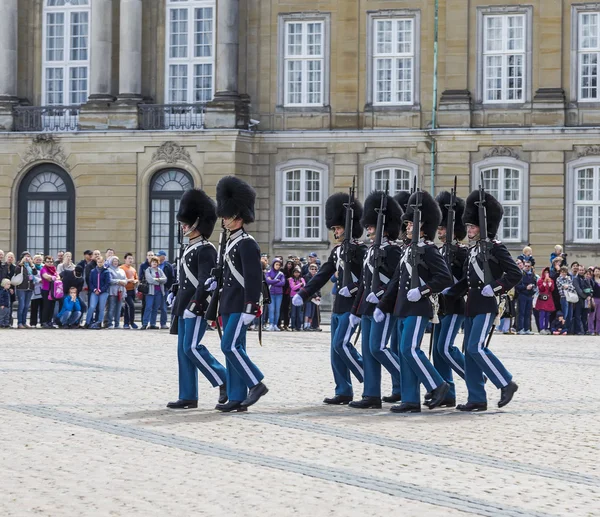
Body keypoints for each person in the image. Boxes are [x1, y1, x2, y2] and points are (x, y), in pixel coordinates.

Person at [375, 190, 453, 413]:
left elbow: (444, 277)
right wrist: (383, 306)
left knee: (410, 349)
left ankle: (437, 384)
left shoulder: (429, 250)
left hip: (419, 306)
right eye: (406, 224)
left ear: (421, 226)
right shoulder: (407, 250)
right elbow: (395, 283)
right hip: (402, 307)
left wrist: (423, 290)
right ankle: (410, 399)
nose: (407, 228)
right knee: (403, 351)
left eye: (410, 224)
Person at [445, 187, 521, 412]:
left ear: (483, 226)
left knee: (476, 347)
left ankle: (506, 382)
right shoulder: (472, 250)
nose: (469, 229)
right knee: (468, 352)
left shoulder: (496, 248)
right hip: (471, 304)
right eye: (467, 226)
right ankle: (476, 397)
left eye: (472, 226)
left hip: (487, 303)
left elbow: (515, 274)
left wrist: (496, 287)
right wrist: (449, 291)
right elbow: (467, 281)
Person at [293, 191, 367, 405]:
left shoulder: (361, 250)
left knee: (341, 345)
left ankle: (369, 378)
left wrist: (352, 289)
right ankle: (343, 389)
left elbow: (366, 278)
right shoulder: (337, 251)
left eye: (338, 227)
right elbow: (323, 274)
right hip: (338, 306)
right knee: (335, 352)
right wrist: (304, 293)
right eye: (334, 228)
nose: (335, 232)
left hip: (353, 304)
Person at [207, 176, 268, 412]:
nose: (223, 220)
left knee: (229, 347)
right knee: (234, 349)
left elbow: (253, 278)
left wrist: (251, 308)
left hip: (242, 304)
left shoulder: (247, 243)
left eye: (227, 216)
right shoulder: (229, 242)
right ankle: (236, 396)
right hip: (229, 303)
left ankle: (256, 383)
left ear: (238, 217)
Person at [167, 188, 227, 410]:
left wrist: (196, 304)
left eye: (186, 223)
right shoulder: (188, 248)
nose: (183, 226)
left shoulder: (205, 249)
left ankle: (224, 378)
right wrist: (174, 292)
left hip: (195, 306)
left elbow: (204, 282)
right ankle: (188, 395)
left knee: (191, 347)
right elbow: (183, 278)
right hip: (183, 305)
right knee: (183, 351)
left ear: (197, 224)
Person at [348, 191, 404, 409]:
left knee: (378, 348)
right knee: (369, 352)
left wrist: (380, 294)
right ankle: (371, 394)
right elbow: (364, 283)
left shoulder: (392, 251)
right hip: (367, 306)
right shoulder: (371, 250)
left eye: (371, 226)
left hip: (383, 306)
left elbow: (395, 280)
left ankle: (407, 375)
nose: (368, 230)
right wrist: (355, 310)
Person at [426, 190, 470, 408]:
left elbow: (466, 280)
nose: (439, 231)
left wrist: (450, 292)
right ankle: (447, 392)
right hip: (439, 308)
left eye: (442, 228)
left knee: (445, 348)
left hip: (454, 306)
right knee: (437, 352)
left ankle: (473, 377)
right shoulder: (441, 251)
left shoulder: (462, 252)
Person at [14, 251, 38, 329]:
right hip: (21, 287)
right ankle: (19, 322)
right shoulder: (19, 264)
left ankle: (24, 322)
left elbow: (35, 273)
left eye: (29, 256)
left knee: (27, 306)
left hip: (29, 287)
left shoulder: (31, 265)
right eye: (26, 256)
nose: (28, 258)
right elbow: (16, 271)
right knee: (22, 305)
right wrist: (22, 262)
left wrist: (32, 265)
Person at [143, 257, 167, 329]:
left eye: (156, 262)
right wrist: (159, 281)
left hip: (159, 292)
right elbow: (150, 280)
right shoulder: (148, 270)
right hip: (150, 292)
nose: (154, 263)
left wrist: (158, 279)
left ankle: (152, 324)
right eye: (153, 262)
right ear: (151, 263)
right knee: (148, 307)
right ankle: (145, 323)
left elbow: (165, 279)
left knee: (155, 308)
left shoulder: (160, 270)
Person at [86, 256, 110, 329]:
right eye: (98, 262)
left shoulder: (106, 271)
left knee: (101, 308)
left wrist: (100, 290)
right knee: (92, 306)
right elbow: (90, 282)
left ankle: (99, 322)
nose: (99, 264)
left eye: (101, 262)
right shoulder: (93, 271)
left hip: (103, 292)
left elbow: (107, 283)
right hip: (94, 291)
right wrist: (94, 289)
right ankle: (87, 322)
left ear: (103, 262)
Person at [515, 261, 536, 335]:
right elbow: (517, 286)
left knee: (528, 313)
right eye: (526, 266)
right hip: (522, 295)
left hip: (529, 295)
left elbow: (535, 284)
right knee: (521, 312)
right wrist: (525, 287)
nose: (527, 267)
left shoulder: (532, 275)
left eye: (528, 266)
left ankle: (527, 328)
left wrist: (533, 288)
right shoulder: (520, 275)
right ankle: (520, 328)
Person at [265, 258, 285, 331]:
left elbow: (283, 283)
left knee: (277, 310)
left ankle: (275, 324)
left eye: (279, 265)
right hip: (271, 293)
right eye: (276, 264)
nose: (278, 266)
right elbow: (267, 281)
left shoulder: (281, 274)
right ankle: (271, 324)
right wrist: (276, 280)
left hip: (279, 294)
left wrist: (272, 281)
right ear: (273, 264)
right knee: (271, 309)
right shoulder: (268, 272)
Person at [107, 256, 127, 329]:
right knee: (111, 307)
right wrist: (119, 281)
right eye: (114, 261)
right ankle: (109, 323)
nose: (115, 262)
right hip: (112, 291)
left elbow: (125, 279)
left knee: (119, 308)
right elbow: (109, 280)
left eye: (116, 261)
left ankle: (117, 323)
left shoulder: (121, 270)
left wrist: (124, 282)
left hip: (121, 291)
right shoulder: (109, 270)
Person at [156, 250, 175, 330]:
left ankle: (163, 323)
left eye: (159, 256)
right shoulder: (155, 264)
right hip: (155, 288)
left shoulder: (168, 265)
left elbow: (172, 277)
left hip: (165, 288)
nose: (157, 257)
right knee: (154, 306)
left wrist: (168, 286)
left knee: (164, 307)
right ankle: (152, 323)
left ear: (163, 257)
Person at [120, 253, 139, 329]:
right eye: (129, 258)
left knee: (127, 307)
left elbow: (136, 278)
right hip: (125, 290)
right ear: (125, 259)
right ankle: (131, 322)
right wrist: (128, 280)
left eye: (131, 258)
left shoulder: (133, 269)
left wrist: (135, 281)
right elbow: (120, 278)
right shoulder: (121, 268)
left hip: (132, 290)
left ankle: (127, 323)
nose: (130, 260)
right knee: (131, 305)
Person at [40, 255, 59, 329]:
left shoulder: (54, 269)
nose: (50, 263)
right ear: (45, 262)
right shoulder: (43, 269)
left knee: (52, 306)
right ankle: (44, 322)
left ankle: (49, 321)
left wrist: (53, 278)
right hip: (46, 290)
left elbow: (58, 277)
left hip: (53, 290)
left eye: (51, 261)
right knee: (46, 306)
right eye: (48, 262)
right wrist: (53, 277)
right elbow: (46, 277)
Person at [535, 267, 555, 335]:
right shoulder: (540, 280)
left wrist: (549, 283)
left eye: (548, 272)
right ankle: (541, 328)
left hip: (549, 299)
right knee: (542, 314)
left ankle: (546, 328)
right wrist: (544, 282)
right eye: (545, 272)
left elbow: (552, 289)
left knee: (547, 315)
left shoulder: (551, 280)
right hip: (542, 299)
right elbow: (541, 289)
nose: (547, 274)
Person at [572, 264, 591, 335]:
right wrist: (585, 296)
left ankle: (585, 330)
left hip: (586, 300)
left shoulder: (586, 279)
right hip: (579, 299)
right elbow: (578, 290)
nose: (581, 271)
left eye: (582, 270)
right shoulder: (575, 279)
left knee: (584, 316)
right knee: (577, 316)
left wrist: (589, 296)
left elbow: (589, 288)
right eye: (580, 270)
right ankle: (578, 330)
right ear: (578, 271)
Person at [555, 266, 574, 332]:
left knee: (570, 314)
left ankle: (568, 328)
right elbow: (562, 286)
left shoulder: (569, 278)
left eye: (565, 272)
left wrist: (567, 286)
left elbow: (572, 287)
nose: (564, 273)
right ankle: (563, 328)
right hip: (563, 297)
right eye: (562, 272)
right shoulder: (558, 279)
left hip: (570, 297)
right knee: (565, 314)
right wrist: (567, 286)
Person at [302, 264, 320, 330]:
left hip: (315, 298)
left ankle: (309, 325)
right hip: (308, 297)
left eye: (315, 269)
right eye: (312, 269)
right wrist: (315, 296)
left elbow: (318, 288)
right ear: (309, 270)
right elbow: (309, 288)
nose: (313, 270)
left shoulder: (317, 277)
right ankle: (305, 325)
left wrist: (318, 296)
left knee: (312, 312)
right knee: (308, 312)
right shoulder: (306, 277)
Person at [279, 259, 295, 331]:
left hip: (289, 293)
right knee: (280, 309)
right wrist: (286, 279)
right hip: (282, 292)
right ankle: (278, 324)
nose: (289, 265)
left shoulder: (293, 272)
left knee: (287, 310)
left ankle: (286, 324)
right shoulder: (283, 271)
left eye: (291, 264)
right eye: (288, 264)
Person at [29, 255, 44, 328]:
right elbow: (31, 276)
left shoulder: (43, 267)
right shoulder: (32, 267)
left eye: (40, 259)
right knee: (34, 307)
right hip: (35, 288)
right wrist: (39, 280)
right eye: (37, 259)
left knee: (43, 307)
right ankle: (33, 323)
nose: (38, 261)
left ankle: (42, 322)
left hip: (43, 288)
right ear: (34, 260)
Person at [588, 267, 600, 335]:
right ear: (593, 272)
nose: (597, 272)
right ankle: (591, 330)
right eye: (596, 271)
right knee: (592, 315)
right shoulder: (591, 280)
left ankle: (598, 330)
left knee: (599, 316)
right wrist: (590, 299)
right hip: (593, 299)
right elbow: (590, 290)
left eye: (598, 271)